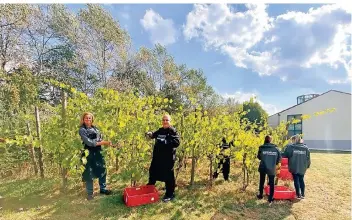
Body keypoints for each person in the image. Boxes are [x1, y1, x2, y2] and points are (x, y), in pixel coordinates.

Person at [79, 112, 114, 200]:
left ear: (92, 119)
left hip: (98, 152)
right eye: (86, 118)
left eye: (89, 118)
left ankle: (103, 189)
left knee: (102, 169)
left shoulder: (96, 129)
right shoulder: (82, 130)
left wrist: (109, 143)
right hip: (87, 153)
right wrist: (102, 143)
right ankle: (90, 194)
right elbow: (89, 142)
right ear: (83, 119)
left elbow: (100, 139)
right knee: (89, 173)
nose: (88, 120)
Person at [146, 114, 180, 202]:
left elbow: (176, 142)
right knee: (153, 172)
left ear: (170, 122)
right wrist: (150, 134)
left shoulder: (172, 131)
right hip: (157, 157)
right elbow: (154, 134)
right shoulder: (160, 130)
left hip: (167, 159)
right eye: (163, 120)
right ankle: (149, 189)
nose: (165, 122)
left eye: (167, 120)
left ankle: (170, 194)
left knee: (168, 176)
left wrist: (165, 142)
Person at [284, 135, 311, 199]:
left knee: (296, 179)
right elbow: (308, 159)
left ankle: (298, 194)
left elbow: (285, 155)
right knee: (301, 179)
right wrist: (307, 166)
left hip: (294, 166)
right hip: (302, 167)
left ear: (294, 140)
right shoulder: (305, 148)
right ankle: (303, 194)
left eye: (292, 140)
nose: (292, 142)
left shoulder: (291, 147)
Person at [256, 135, 281, 204]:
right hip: (272, 167)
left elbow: (259, 157)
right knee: (272, 183)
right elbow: (279, 159)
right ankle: (270, 198)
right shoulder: (276, 149)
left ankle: (260, 195)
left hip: (263, 166)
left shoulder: (261, 148)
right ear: (271, 140)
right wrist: (273, 163)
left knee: (262, 181)